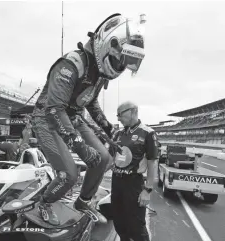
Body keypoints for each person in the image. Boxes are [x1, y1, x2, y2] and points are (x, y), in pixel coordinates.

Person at [32, 13, 146, 225]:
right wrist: (80, 147)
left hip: (72, 116)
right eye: (120, 60)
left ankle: (83, 201)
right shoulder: (71, 64)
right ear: (108, 45)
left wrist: (109, 129)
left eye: (124, 63)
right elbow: (54, 109)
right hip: (46, 117)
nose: (120, 67)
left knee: (103, 158)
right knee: (69, 175)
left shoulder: (99, 73)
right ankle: (44, 203)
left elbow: (89, 102)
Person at [110, 101, 158, 241]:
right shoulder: (118, 133)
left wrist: (147, 190)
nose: (118, 118)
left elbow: (152, 163)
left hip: (133, 184)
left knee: (136, 227)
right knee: (119, 223)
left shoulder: (148, 133)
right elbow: (110, 158)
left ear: (132, 112)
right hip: (116, 182)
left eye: (120, 114)